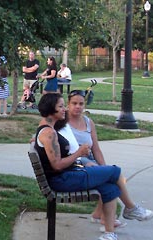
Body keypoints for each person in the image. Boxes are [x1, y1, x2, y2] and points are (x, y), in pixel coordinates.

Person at [35, 93, 141, 240]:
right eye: (60, 106)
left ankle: (109, 233)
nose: (64, 109)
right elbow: (57, 165)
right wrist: (79, 153)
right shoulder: (48, 133)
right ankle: (131, 208)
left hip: (68, 174)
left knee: (110, 187)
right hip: (62, 180)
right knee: (115, 171)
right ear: (50, 109)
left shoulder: (49, 128)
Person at [61, 90, 153, 232]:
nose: (78, 107)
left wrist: (103, 167)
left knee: (114, 178)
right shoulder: (62, 122)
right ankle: (128, 208)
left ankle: (101, 215)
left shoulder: (88, 122)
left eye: (81, 103)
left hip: (90, 159)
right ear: (68, 104)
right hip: (76, 161)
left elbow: (96, 148)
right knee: (114, 176)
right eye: (74, 103)